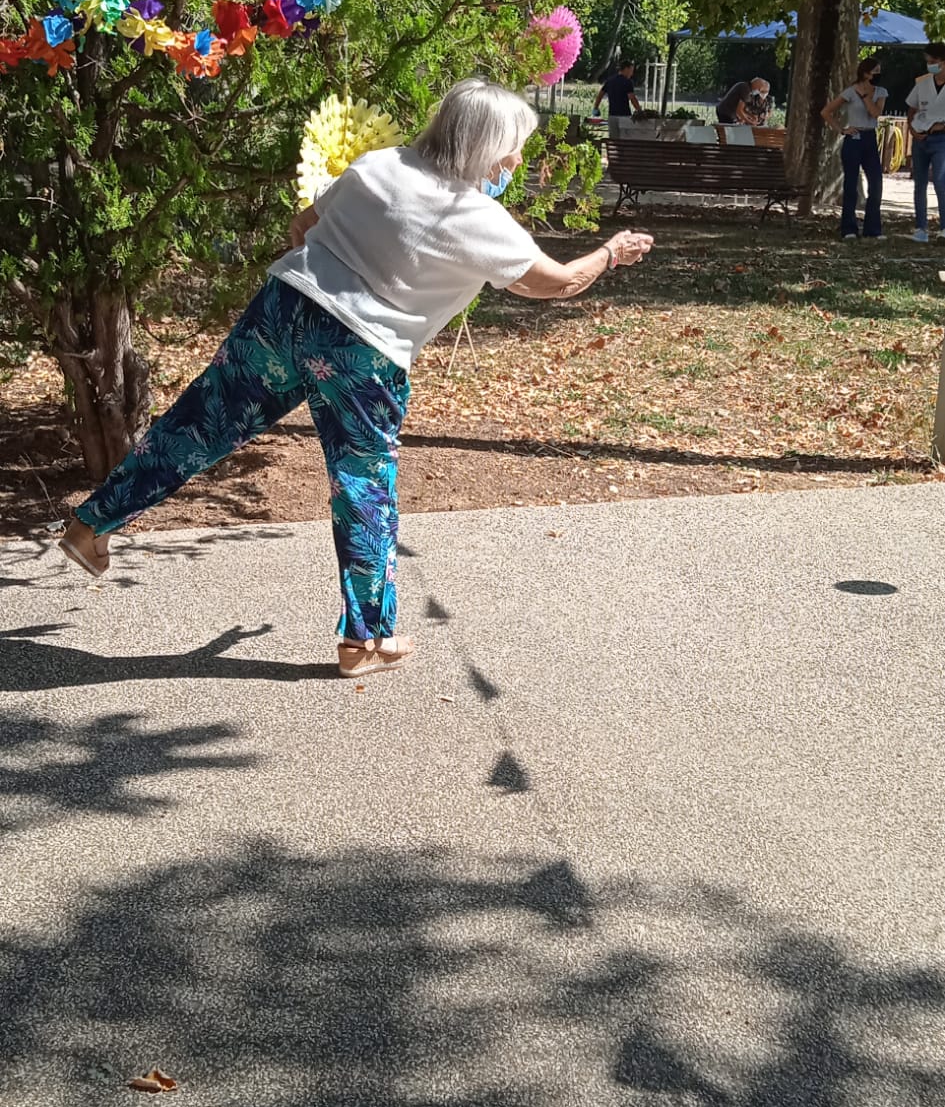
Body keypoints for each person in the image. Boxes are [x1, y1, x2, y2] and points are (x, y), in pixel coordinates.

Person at [58, 79, 654, 678]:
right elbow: (554, 282)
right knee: (362, 484)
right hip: (360, 352)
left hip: (284, 305)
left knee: (197, 426)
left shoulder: (378, 166)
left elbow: (301, 226)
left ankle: (91, 526)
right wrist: (610, 253)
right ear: (481, 147)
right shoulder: (474, 216)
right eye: (511, 148)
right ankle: (366, 640)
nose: (516, 161)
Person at [820, 56, 887, 240]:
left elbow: (875, 113)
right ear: (865, 73)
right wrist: (841, 129)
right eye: (875, 72)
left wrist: (866, 96)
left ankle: (873, 228)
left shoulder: (881, 92)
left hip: (870, 137)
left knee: (876, 182)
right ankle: (848, 228)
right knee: (850, 184)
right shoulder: (850, 91)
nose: (878, 75)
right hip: (853, 138)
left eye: (879, 71)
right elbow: (826, 111)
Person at [906, 42, 945, 243]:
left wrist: (939, 127)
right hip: (920, 138)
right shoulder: (922, 83)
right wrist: (912, 129)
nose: (930, 65)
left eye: (934, 62)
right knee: (919, 183)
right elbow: (911, 108)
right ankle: (920, 228)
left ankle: (943, 227)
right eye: (928, 62)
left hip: (941, 140)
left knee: (940, 181)